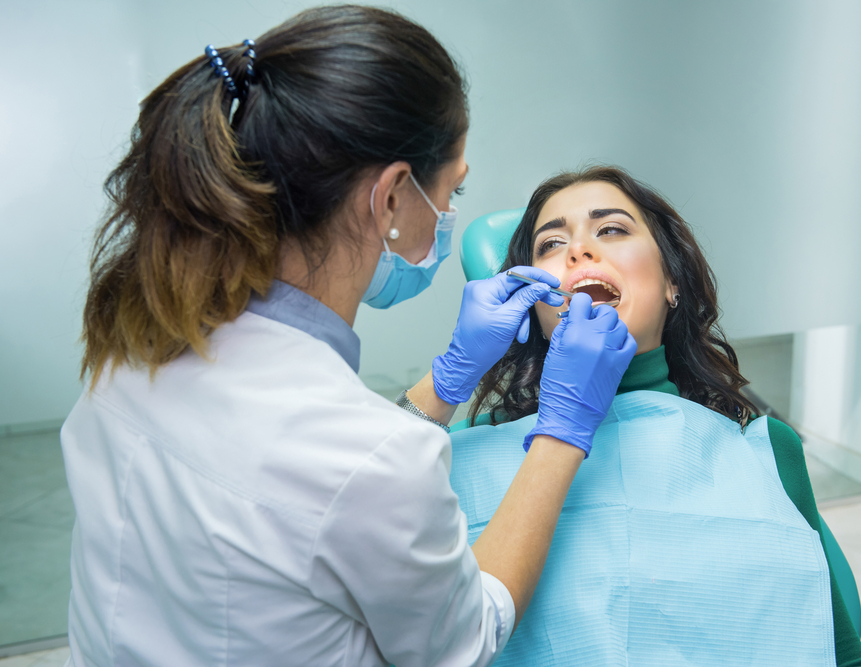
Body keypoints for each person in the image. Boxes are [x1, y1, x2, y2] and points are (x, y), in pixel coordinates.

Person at [61, 7, 635, 667]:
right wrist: (564, 430)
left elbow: (318, 476)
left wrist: (446, 381)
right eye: (451, 192)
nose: (450, 217)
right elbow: (466, 636)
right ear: (391, 197)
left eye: (613, 231)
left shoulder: (133, 345)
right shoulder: (374, 458)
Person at [449, 166, 861, 667]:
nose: (578, 250)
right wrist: (443, 384)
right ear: (531, 307)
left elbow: (840, 654)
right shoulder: (455, 457)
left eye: (611, 229)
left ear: (672, 281)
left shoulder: (766, 451)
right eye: (550, 245)